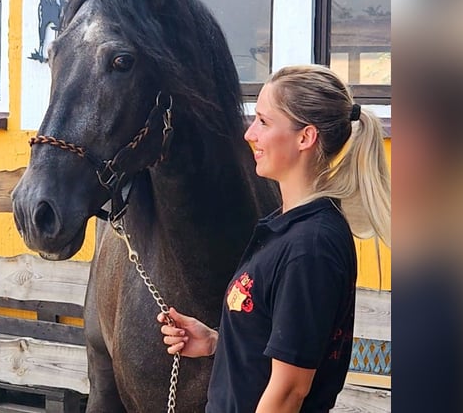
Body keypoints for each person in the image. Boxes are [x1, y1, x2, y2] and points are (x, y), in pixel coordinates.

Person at [157, 65, 391, 412]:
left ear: (305, 137)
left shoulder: (310, 248)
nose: (249, 134)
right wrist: (219, 344)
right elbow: (280, 346)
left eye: (264, 122)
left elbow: (288, 394)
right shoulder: (287, 228)